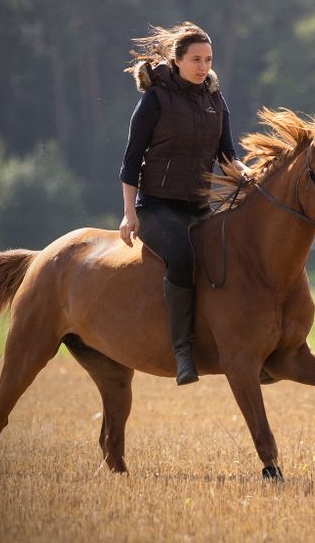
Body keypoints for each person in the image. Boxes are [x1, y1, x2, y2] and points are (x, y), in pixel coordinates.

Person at [119, 22, 247, 385]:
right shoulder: (155, 100)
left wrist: (248, 174)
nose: (203, 66)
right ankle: (182, 352)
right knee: (183, 257)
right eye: (195, 59)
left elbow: (228, 155)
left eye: (208, 60)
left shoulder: (215, 99)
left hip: (198, 206)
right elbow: (131, 161)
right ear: (176, 61)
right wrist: (129, 215)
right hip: (156, 208)